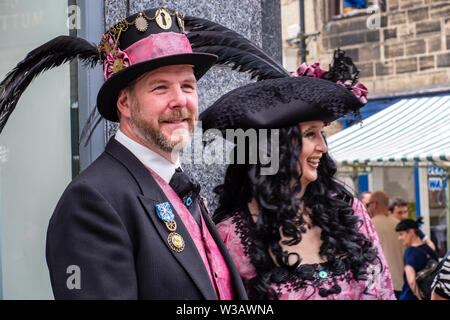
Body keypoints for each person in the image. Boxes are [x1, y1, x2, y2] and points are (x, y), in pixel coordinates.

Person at [0, 7, 248, 299]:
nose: (180, 100)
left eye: (187, 86)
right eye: (160, 88)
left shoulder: (178, 185)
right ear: (125, 103)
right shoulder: (91, 203)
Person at [200, 52, 396, 300]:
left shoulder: (350, 212)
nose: (323, 147)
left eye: (321, 134)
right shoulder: (232, 236)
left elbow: (385, 291)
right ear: (274, 146)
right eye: (310, 134)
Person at [368, 191, 405, 298]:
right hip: (400, 283)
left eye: (368, 205)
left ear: (375, 204)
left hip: (379, 285)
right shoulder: (399, 225)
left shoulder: (368, 225)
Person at [396, 218, 439, 300]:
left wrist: (420, 298)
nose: (399, 238)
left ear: (411, 232)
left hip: (411, 296)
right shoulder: (429, 249)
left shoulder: (409, 252)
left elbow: (411, 281)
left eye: (401, 234)